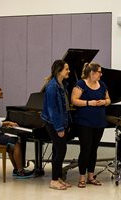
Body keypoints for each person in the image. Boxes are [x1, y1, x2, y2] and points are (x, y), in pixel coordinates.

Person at [71, 62, 111, 188]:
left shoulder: (102, 84)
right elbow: (74, 101)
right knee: (85, 149)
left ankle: (91, 176)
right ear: (92, 73)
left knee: (94, 150)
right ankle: (82, 177)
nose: (101, 74)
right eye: (99, 72)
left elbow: (109, 100)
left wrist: (104, 102)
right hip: (84, 122)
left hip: (99, 122)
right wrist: (89, 103)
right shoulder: (81, 84)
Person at [41, 60, 72, 190]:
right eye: (67, 69)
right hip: (54, 123)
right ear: (59, 71)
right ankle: (54, 180)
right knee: (60, 151)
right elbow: (53, 110)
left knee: (57, 150)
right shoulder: (52, 87)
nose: (69, 71)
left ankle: (58, 177)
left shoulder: (62, 84)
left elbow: (65, 106)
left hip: (60, 122)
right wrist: (59, 128)